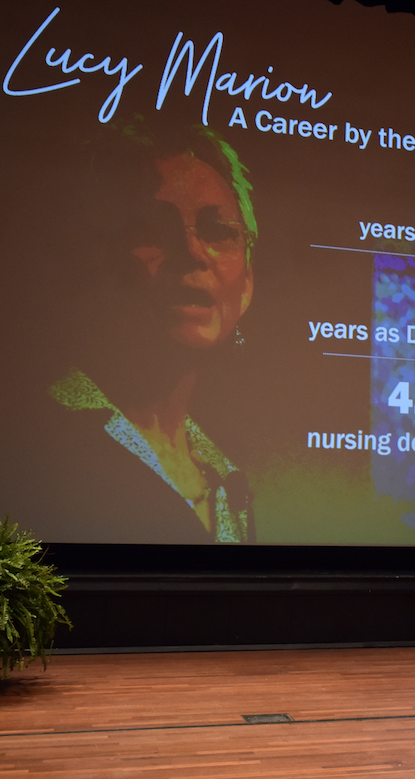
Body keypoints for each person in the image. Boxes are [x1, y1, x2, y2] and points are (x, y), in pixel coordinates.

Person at [47, 123, 257, 543]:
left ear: (248, 281)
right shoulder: (36, 437)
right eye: (152, 229)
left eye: (218, 231)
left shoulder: (229, 482)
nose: (193, 252)